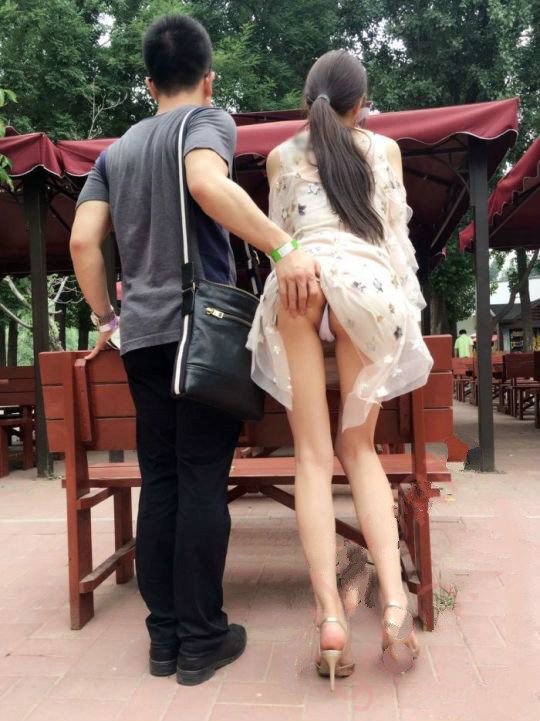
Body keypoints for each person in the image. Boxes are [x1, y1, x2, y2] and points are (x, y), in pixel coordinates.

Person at [69, 14, 319, 687]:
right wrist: (284, 246)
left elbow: (83, 242)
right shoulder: (207, 122)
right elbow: (207, 184)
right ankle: (204, 638)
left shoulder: (115, 153)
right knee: (203, 478)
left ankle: (165, 640)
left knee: (163, 480)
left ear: (149, 83)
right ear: (209, 79)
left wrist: (107, 317)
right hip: (200, 331)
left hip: (142, 338)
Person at [246, 50, 434, 688]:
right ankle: (395, 604)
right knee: (359, 450)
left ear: (307, 102)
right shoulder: (385, 151)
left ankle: (330, 616)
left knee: (311, 455)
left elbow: (282, 240)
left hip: (299, 286)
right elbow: (396, 247)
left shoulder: (280, 157)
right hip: (367, 288)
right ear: (364, 103)